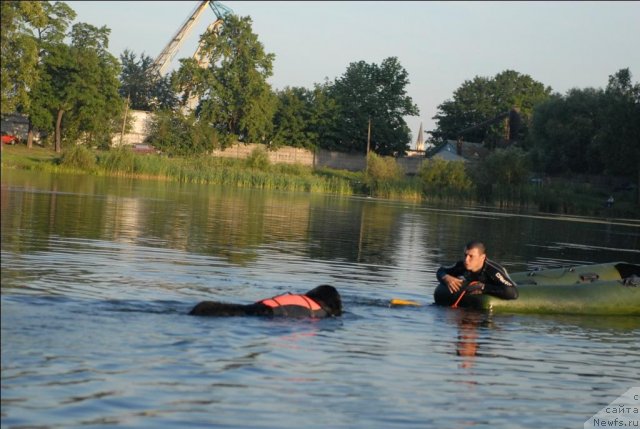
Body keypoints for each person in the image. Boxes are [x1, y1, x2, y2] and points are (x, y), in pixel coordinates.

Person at [436, 241, 518, 306]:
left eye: (471, 256)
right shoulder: (461, 265)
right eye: (465, 255)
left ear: (482, 257)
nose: (466, 260)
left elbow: (512, 292)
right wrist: (446, 277)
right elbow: (441, 271)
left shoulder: (493, 271)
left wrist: (483, 287)